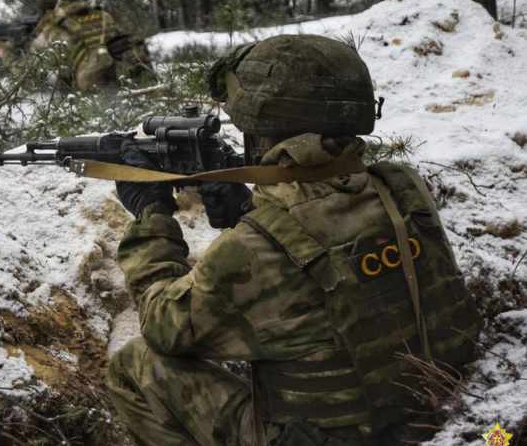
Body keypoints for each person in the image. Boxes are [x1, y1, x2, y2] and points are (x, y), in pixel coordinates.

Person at [107, 34, 482, 446]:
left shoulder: (256, 247)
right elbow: (321, 241)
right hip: (462, 426)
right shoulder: (404, 189)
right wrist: (250, 212)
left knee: (135, 365)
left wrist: (151, 215)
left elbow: (165, 326)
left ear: (265, 132)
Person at [0, 0, 154, 90]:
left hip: (93, 115)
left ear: (49, 2)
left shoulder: (52, 31)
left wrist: (6, 54)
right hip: (139, 96)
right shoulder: (107, 16)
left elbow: (29, 80)